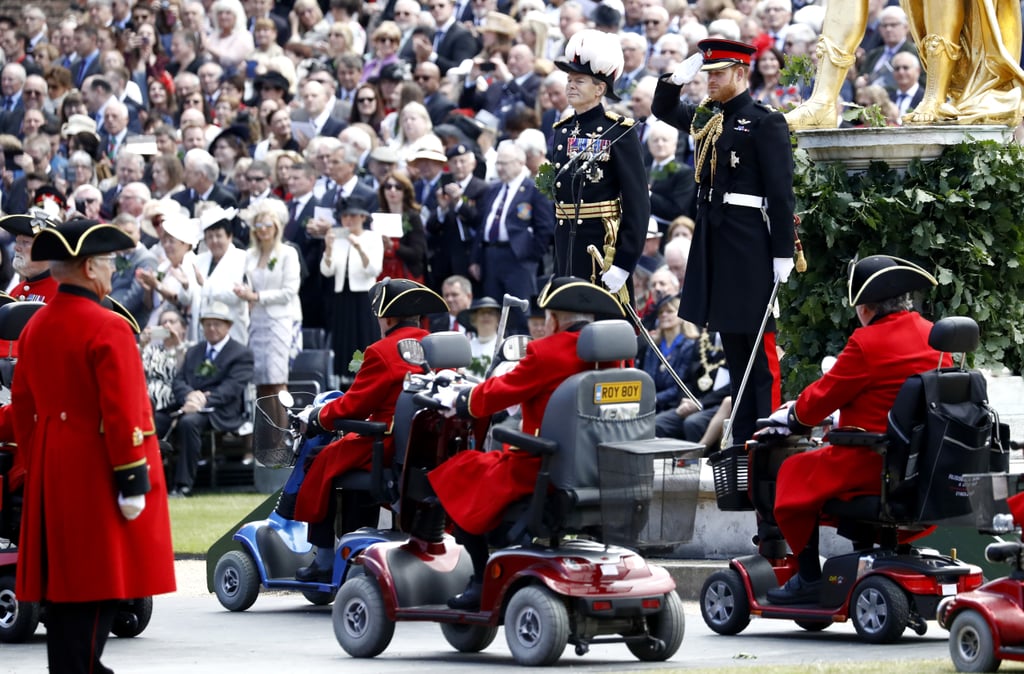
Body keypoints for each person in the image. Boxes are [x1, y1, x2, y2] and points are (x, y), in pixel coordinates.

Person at [12, 218, 175, 672]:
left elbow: (24, 409)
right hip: (98, 469)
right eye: (105, 263)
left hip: (51, 465)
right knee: (101, 580)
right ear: (86, 267)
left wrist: (37, 459)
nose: (110, 272)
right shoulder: (109, 326)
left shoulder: (34, 326)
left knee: (64, 584)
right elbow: (126, 412)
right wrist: (132, 478)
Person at [428, 277, 626, 609]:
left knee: (459, 471)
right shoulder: (615, 359)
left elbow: (498, 393)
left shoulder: (546, 351)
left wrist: (461, 399)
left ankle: (479, 581)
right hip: (603, 467)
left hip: (543, 467)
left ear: (553, 319)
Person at [766, 255, 948, 604]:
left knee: (792, 471)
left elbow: (815, 403)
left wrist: (793, 416)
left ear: (866, 307)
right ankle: (861, 556)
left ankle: (808, 578)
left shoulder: (867, 343)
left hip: (873, 459)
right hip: (923, 464)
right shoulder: (933, 336)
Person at [652, 39, 795, 446]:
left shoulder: (764, 121)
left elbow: (781, 193)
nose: (710, 80)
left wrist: (782, 252)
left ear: (740, 73)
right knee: (735, 349)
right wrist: (676, 78)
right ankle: (742, 441)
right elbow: (663, 109)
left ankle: (765, 443)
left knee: (759, 353)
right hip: (715, 240)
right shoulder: (709, 119)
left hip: (750, 243)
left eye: (718, 73)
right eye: (707, 73)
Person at [293, 279, 449, 582]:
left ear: (388, 318)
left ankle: (324, 557)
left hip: (388, 440)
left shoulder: (382, 350)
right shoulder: (435, 348)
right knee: (343, 460)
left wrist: (317, 417)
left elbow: (353, 407)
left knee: (318, 460)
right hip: (428, 445)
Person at [548, 29, 649, 301]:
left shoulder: (618, 132)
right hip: (566, 242)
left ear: (600, 88)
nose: (570, 85)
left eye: (579, 80)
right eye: (569, 79)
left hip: (601, 245)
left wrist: (624, 264)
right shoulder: (562, 130)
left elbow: (637, 204)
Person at [160, 300, 255, 496]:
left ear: (228, 326)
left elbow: (232, 388)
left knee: (189, 423)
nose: (211, 328)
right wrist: (189, 395)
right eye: (207, 324)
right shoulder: (195, 351)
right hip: (188, 405)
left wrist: (202, 400)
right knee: (155, 420)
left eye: (217, 324)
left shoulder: (241, 353)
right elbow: (179, 380)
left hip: (220, 411)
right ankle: (153, 481)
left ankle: (183, 485)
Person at [234, 201, 302, 403]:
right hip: (256, 321)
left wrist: (257, 296)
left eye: (268, 225)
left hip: (279, 320)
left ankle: (283, 431)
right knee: (261, 381)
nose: (263, 230)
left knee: (277, 379)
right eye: (259, 226)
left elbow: (289, 291)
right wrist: (244, 293)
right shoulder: (249, 255)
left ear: (276, 227)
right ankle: (266, 432)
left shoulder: (287, 253)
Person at [320, 201, 384, 380]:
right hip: (343, 294)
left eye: (353, 216)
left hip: (364, 295)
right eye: (345, 216)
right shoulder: (338, 237)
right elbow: (327, 271)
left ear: (363, 217)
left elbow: (374, 270)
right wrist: (329, 249)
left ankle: (368, 376)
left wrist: (359, 248)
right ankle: (345, 379)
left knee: (365, 336)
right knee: (344, 338)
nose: (348, 220)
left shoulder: (372, 237)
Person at [377, 171, 428, 283]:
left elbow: (417, 254)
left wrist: (393, 245)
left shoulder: (413, 217)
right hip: (381, 275)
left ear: (405, 191)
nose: (392, 190)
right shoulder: (377, 216)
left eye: (398, 187)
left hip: (406, 275)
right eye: (388, 186)